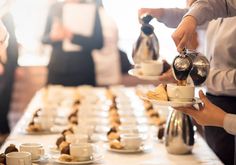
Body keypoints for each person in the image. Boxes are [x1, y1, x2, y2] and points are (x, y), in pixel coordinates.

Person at [139, 0, 236, 164]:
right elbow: (203, 11)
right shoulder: (222, 6)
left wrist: (197, 75)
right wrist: (162, 13)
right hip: (213, 100)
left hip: (230, 103)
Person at [42, 0, 104, 86]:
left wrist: (72, 36)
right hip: (57, 69)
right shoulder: (55, 8)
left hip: (83, 70)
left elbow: (99, 43)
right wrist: (53, 37)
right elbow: (44, 39)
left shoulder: (91, 9)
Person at [0, 0, 18, 140]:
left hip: (8, 64)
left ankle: (4, 130)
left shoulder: (7, 15)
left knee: (5, 100)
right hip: (5, 64)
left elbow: (7, 41)